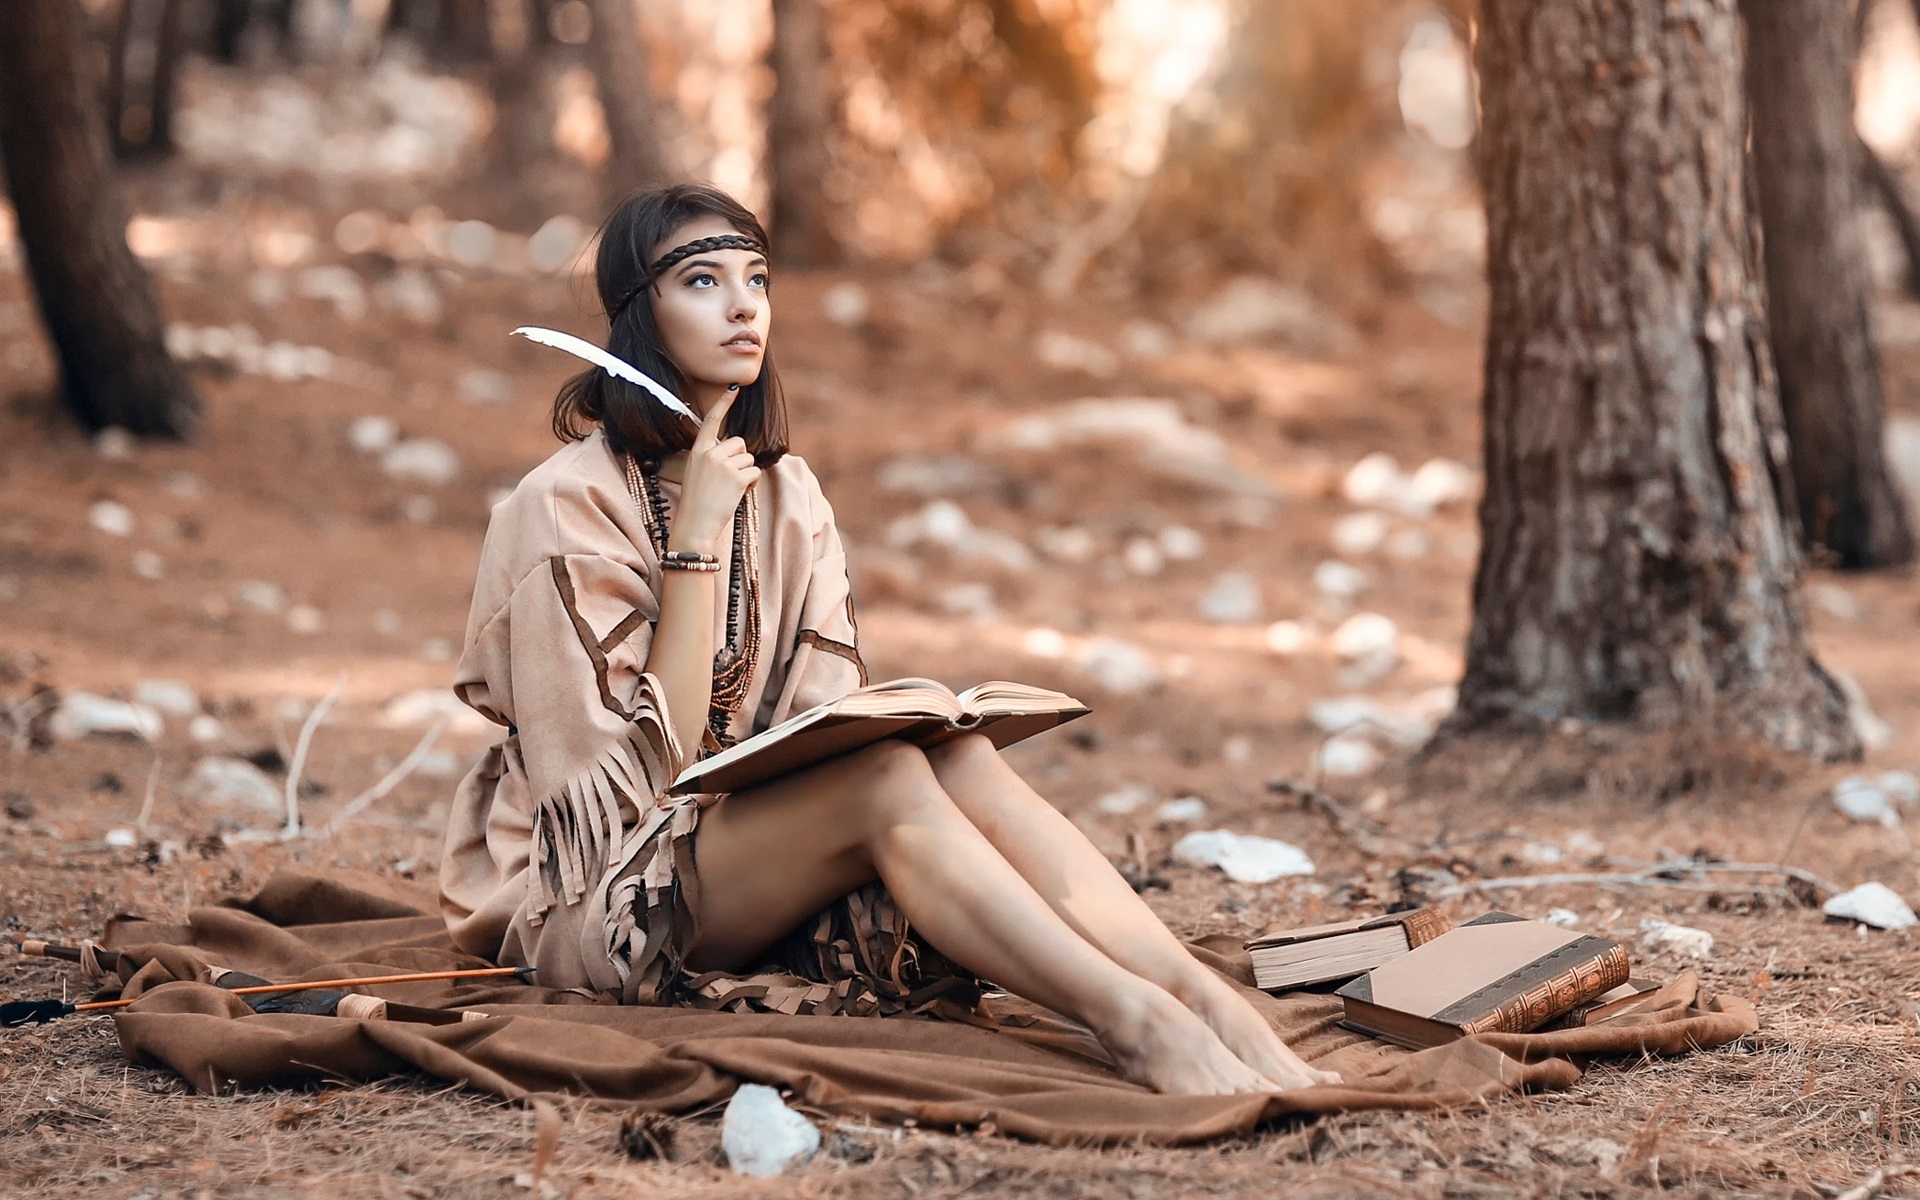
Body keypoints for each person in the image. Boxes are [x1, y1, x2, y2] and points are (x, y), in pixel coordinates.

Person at [439, 183, 1339, 1096]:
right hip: (605, 899)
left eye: (756, 279)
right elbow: (626, 790)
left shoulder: (791, 497)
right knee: (882, 779)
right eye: (704, 282)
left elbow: (814, 727)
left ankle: (1199, 997)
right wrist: (698, 543)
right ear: (640, 315)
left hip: (750, 863)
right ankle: (1136, 1026)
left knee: (957, 760)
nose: (744, 305)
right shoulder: (562, 506)